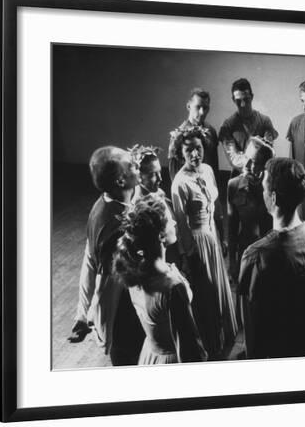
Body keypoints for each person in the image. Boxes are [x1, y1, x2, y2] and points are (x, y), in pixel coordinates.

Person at [238, 157, 305, 359]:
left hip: (276, 349)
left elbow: (252, 325)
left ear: (274, 198)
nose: (262, 193)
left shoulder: (256, 255)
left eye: (264, 188)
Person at [68, 146, 144, 366]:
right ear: (121, 181)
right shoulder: (117, 226)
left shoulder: (102, 205)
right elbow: (103, 280)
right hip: (125, 311)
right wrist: (91, 315)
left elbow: (88, 259)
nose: (137, 165)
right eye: (131, 165)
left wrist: (82, 313)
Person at [112, 194, 208, 364]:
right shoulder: (171, 286)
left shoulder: (133, 267)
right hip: (172, 359)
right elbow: (188, 345)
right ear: (161, 236)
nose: (176, 223)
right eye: (171, 221)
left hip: (151, 354)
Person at [171, 125, 238, 359]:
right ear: (181, 153)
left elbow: (217, 207)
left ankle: (225, 333)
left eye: (198, 148)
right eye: (189, 150)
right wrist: (190, 256)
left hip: (213, 238)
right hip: (197, 242)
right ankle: (211, 340)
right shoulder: (179, 183)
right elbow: (180, 223)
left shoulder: (208, 170)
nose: (195, 155)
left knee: (218, 286)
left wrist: (223, 236)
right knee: (205, 292)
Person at [227, 136, 274, 285]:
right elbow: (232, 228)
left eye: (253, 161)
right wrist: (232, 262)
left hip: (270, 255)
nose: (246, 164)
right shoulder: (233, 185)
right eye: (246, 157)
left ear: (265, 166)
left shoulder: (274, 188)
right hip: (246, 253)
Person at [218, 78, 278, 176]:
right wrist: (251, 163)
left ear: (252, 97)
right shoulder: (227, 126)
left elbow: (269, 152)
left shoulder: (264, 121)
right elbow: (233, 158)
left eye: (246, 99)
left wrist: (252, 162)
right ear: (233, 100)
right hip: (239, 176)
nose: (243, 104)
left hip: (261, 175)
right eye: (238, 101)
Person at [168, 88, 219, 183]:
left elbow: (214, 166)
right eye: (198, 107)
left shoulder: (211, 131)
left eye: (205, 107)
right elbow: (174, 173)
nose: (202, 112)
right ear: (188, 106)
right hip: (189, 187)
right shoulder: (178, 135)